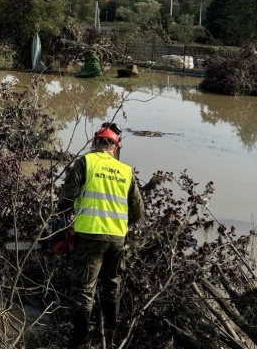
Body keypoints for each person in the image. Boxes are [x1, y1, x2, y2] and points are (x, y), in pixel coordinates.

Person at [57, 122, 145, 349]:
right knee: (112, 284)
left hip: (90, 236)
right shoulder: (126, 171)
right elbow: (137, 211)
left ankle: (80, 342)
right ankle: (111, 333)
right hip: (117, 238)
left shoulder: (85, 162)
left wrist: (60, 223)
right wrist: (120, 225)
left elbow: (67, 198)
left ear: (96, 142)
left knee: (84, 289)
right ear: (115, 147)